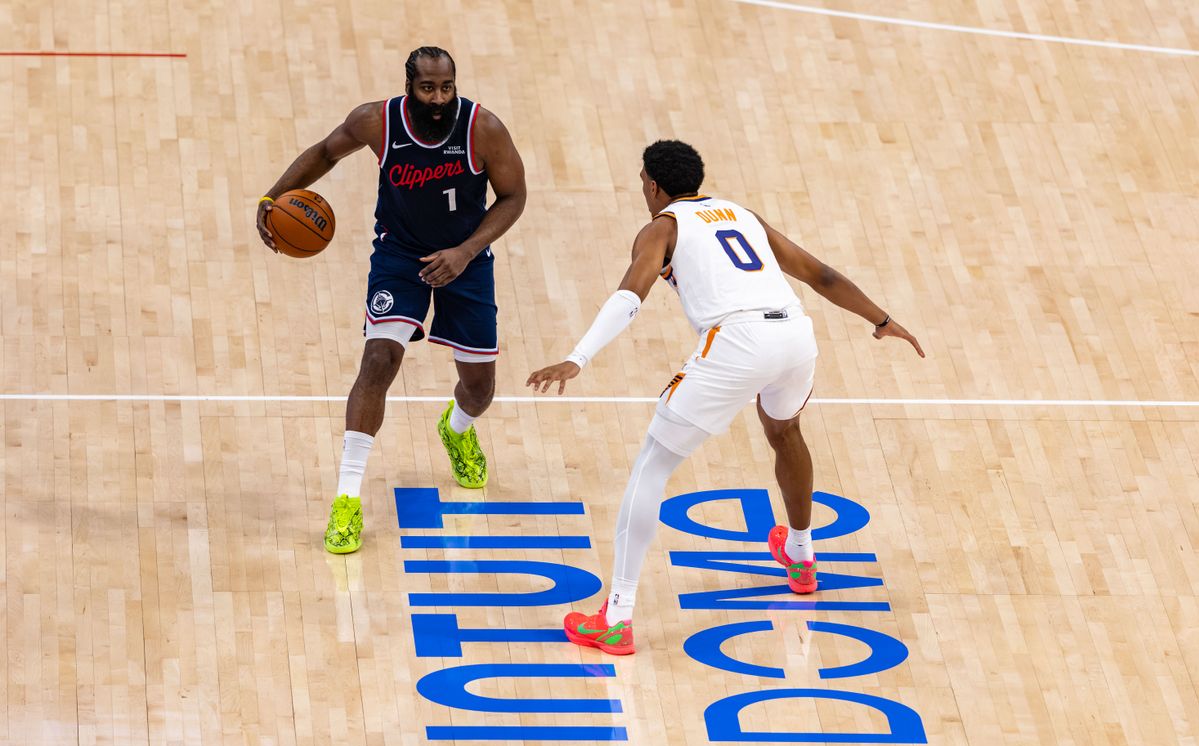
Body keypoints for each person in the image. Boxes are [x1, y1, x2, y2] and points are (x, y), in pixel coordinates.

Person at [527, 140, 923, 655]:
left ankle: (616, 618)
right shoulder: (741, 213)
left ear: (653, 184)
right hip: (795, 335)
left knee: (651, 467)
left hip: (737, 341)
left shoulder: (661, 228)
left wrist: (577, 357)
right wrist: (883, 321)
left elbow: (630, 296)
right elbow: (820, 274)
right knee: (785, 431)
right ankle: (802, 557)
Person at [257, 46, 526, 554]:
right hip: (400, 257)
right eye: (428, 88)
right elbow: (324, 153)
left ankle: (458, 426)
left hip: (466, 260)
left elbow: (515, 196)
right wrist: (272, 197)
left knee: (480, 388)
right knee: (378, 361)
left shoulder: (482, 128)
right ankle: (346, 500)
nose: (439, 98)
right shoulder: (376, 121)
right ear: (409, 87)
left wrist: (466, 251)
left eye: (447, 87)